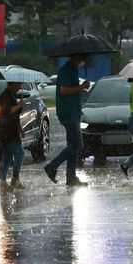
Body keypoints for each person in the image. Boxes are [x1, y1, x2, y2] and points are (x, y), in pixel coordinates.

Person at [44, 54, 91, 187]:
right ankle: (52, 166)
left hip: (74, 111)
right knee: (78, 144)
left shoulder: (73, 70)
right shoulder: (66, 70)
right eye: (82, 58)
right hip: (68, 112)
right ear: (76, 58)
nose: (83, 61)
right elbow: (64, 91)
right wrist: (82, 87)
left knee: (72, 145)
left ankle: (71, 177)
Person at [0, 81, 26, 189]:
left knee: (7, 155)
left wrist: (20, 129)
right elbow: (6, 111)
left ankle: (2, 180)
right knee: (20, 153)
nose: (20, 87)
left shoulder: (11, 97)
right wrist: (18, 105)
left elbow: (15, 116)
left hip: (9, 131)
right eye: (18, 85)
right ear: (12, 84)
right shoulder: (5, 97)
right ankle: (15, 178)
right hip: (7, 132)